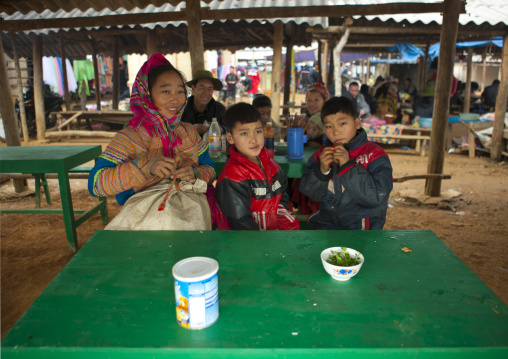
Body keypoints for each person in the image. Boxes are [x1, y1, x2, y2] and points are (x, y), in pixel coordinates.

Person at [88, 52, 216, 206]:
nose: (175, 99)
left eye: (180, 91)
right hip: (144, 214)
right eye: (166, 91)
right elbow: (96, 185)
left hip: (189, 206)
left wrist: (196, 173)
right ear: (147, 95)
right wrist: (145, 167)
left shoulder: (187, 132)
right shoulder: (130, 137)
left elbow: (210, 168)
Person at [299, 96, 393, 230]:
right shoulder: (322, 154)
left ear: (357, 123)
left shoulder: (375, 154)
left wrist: (347, 166)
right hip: (328, 224)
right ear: (324, 130)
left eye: (342, 123)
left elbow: (377, 197)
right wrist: (322, 171)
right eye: (329, 126)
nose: (336, 131)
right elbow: (311, 193)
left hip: (362, 230)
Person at [215, 103, 299, 230]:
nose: (253, 139)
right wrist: (265, 243)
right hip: (249, 244)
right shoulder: (232, 177)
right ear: (230, 138)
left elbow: (283, 198)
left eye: (258, 131)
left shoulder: (272, 165)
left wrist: (284, 231)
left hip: (276, 237)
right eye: (244, 133)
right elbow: (241, 222)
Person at [182, 70, 226, 136]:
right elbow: (173, 132)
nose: (206, 92)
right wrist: (190, 130)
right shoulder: (182, 108)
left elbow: (229, 128)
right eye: (202, 88)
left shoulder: (219, 108)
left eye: (210, 89)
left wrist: (222, 129)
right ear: (193, 89)